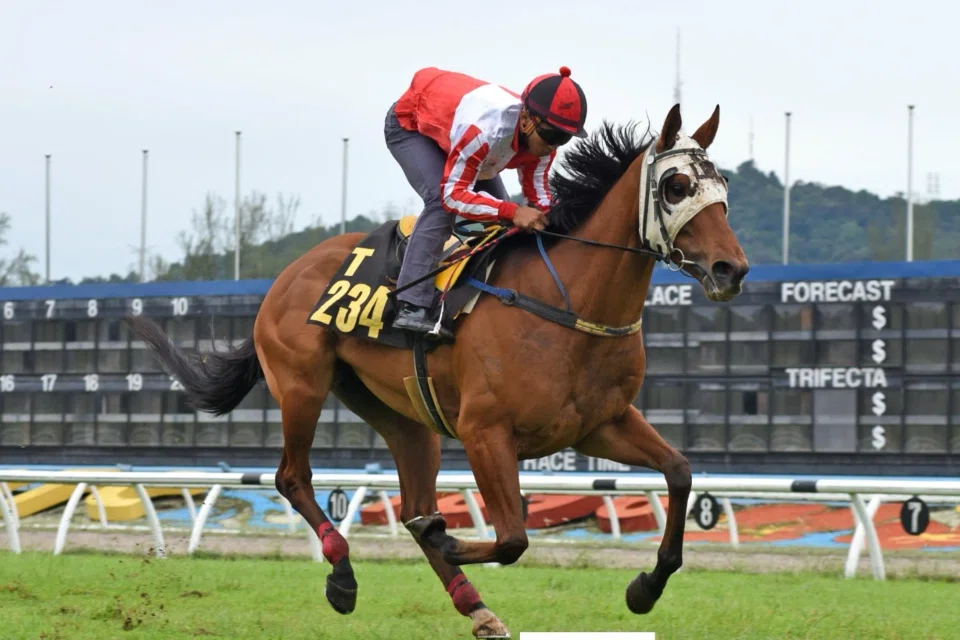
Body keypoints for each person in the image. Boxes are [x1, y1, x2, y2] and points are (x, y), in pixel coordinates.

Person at [383, 65, 589, 339]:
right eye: (552, 135)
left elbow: (539, 200)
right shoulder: (485, 132)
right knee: (439, 203)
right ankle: (411, 304)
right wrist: (512, 210)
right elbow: (452, 195)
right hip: (412, 127)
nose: (555, 146)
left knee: (506, 222)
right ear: (526, 120)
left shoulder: (541, 145)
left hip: (465, 141)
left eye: (564, 138)